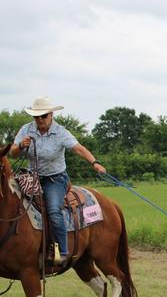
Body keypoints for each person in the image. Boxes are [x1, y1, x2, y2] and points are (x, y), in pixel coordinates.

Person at [10, 97, 106, 264]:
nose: (40, 120)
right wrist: (20, 147)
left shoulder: (61, 132)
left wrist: (94, 162)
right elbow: (12, 153)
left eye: (43, 116)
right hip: (31, 178)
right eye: (36, 116)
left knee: (54, 210)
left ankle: (62, 250)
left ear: (51, 115)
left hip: (55, 179)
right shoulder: (26, 129)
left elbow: (78, 148)